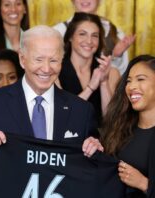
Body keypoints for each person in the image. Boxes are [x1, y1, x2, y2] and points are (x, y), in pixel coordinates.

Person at [0, 25, 103, 164]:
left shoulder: (82, 111)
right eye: (39, 59)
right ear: (22, 59)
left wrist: (95, 152)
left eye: (53, 60)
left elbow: (93, 169)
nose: (46, 69)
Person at [101, 55, 155, 197]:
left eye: (141, 79)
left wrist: (143, 183)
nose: (131, 87)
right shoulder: (121, 129)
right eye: (129, 81)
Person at [58, 12, 120, 123]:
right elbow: (62, 115)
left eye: (94, 35)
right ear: (71, 37)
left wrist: (104, 82)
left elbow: (111, 120)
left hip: (100, 138)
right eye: (82, 34)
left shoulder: (112, 72)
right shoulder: (55, 70)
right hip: (66, 138)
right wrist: (90, 88)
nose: (89, 41)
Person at [54, 0, 136, 74]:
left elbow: (121, 76)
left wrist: (116, 56)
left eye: (94, 35)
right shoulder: (57, 31)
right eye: (82, 34)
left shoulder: (113, 32)